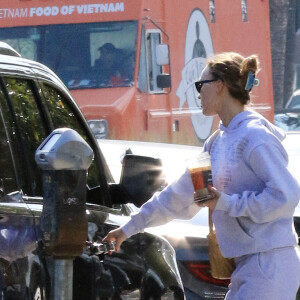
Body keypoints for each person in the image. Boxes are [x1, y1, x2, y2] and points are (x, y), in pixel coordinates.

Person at [103, 52, 300, 299]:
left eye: (200, 85)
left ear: (219, 86)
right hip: (249, 265)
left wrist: (226, 203)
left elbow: (286, 196)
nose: (197, 93)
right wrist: (127, 229)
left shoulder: (255, 137)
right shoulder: (217, 143)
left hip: (271, 263)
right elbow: (175, 196)